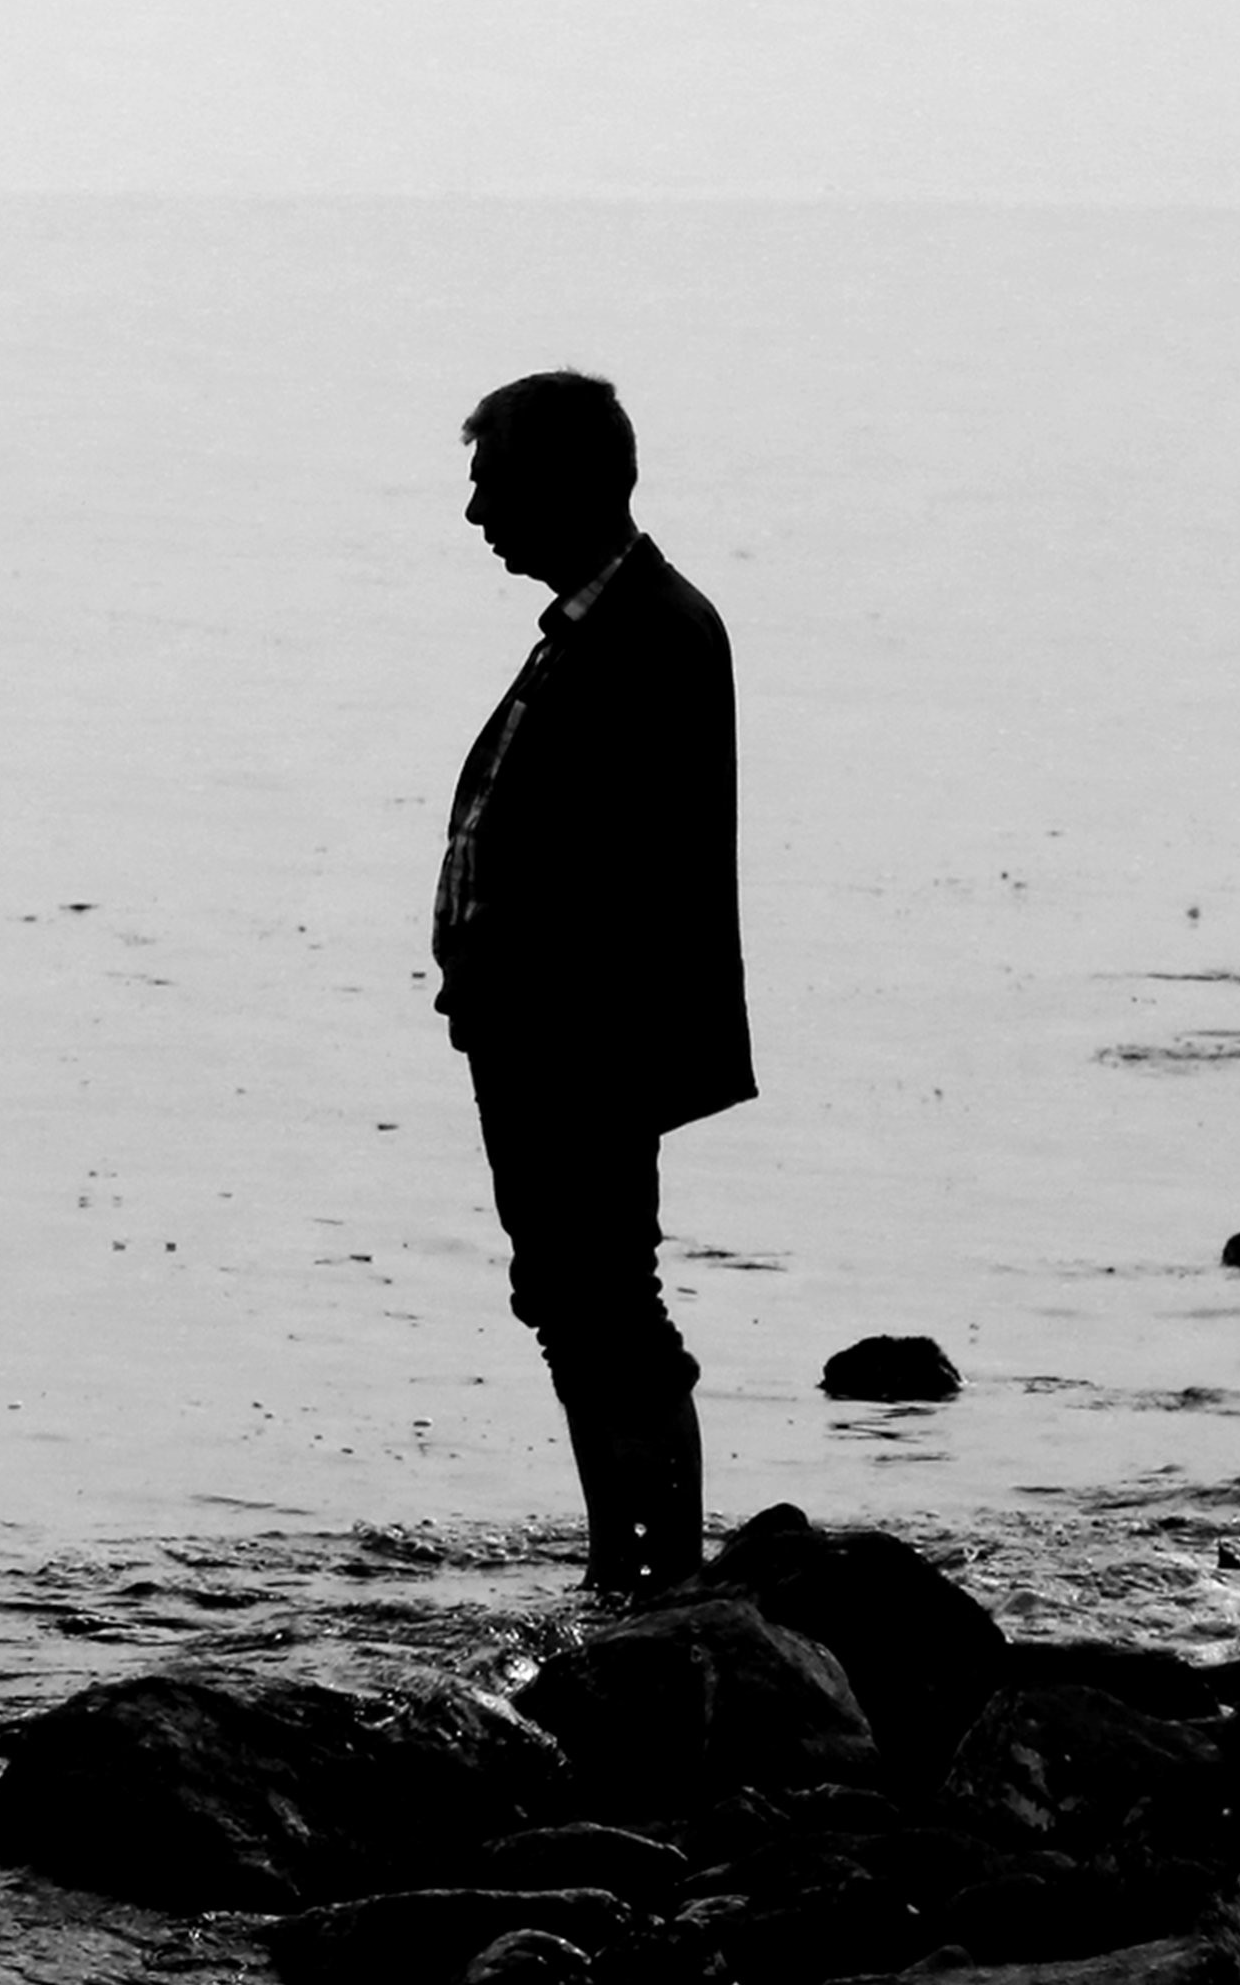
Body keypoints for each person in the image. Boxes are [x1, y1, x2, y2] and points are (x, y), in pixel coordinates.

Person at [428, 368, 751, 1610]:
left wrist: (516, 989)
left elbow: (624, 870)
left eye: (492, 485)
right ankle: (628, 1569)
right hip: (550, 1033)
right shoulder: (605, 624)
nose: (476, 514)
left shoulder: (649, 631)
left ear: (562, 484)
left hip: (582, 1040)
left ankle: (653, 1576)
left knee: (604, 1303)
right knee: (576, 1299)